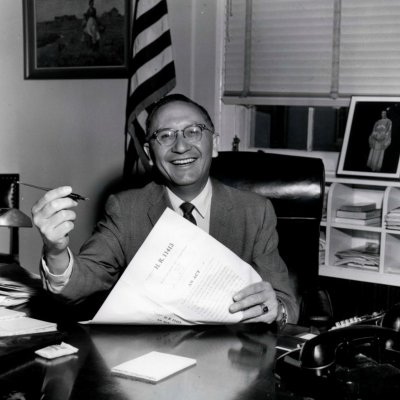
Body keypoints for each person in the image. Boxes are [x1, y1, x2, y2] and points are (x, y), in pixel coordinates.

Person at [32, 94, 298, 325]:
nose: (181, 146)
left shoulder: (254, 211)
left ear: (214, 144)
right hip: (153, 356)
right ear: (149, 153)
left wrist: (275, 309)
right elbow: (82, 284)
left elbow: (286, 303)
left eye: (193, 131)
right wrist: (55, 251)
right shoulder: (126, 209)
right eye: (165, 136)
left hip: (231, 354)